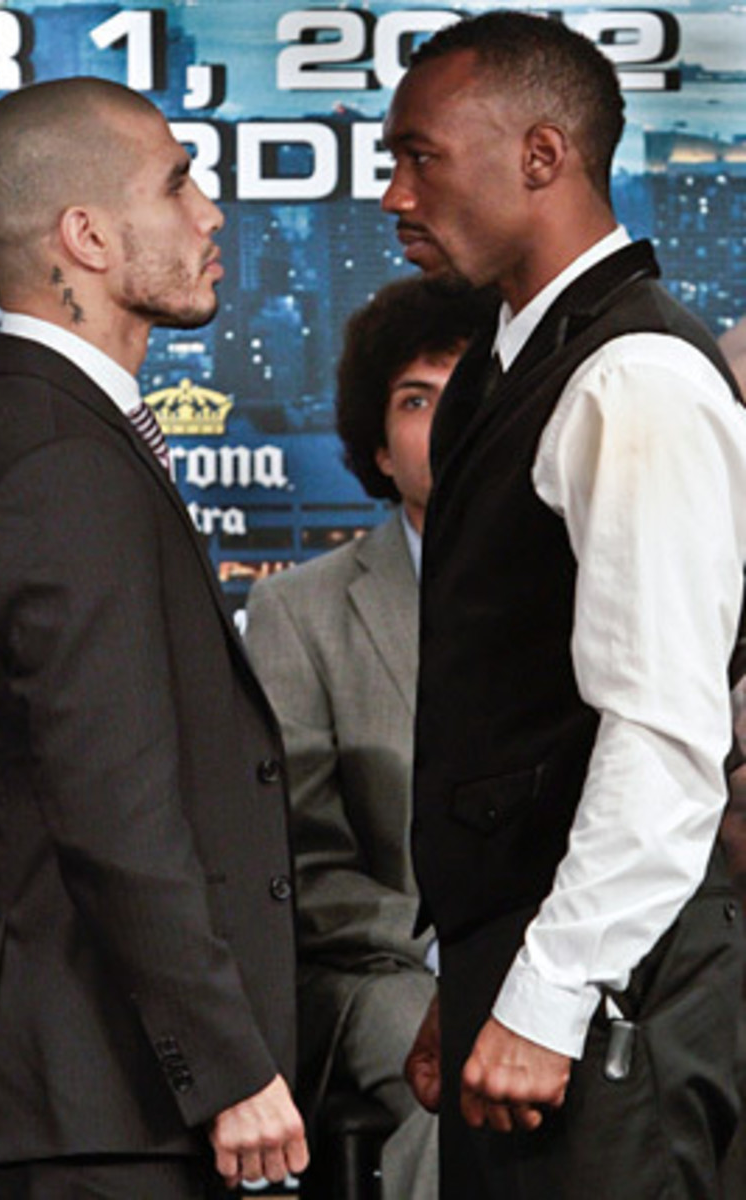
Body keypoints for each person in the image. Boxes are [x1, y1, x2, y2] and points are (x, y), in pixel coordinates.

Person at [0, 78, 308, 1200]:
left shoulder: (33, 437)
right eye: (178, 182)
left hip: (86, 1093)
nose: (210, 212)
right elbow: (111, 804)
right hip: (97, 1101)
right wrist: (226, 1063)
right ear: (83, 236)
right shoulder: (57, 464)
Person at [380, 12, 746, 1198]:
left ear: (541, 156)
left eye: (418, 156)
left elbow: (657, 733)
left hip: (613, 997)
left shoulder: (631, 377)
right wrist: (478, 976)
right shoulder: (517, 360)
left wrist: (544, 994)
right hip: (545, 972)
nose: (392, 195)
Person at [245, 276, 492, 1199]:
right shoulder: (299, 612)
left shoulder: (581, 597)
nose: (445, 421)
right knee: (459, 1070)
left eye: (465, 391)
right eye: (415, 400)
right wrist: (450, 950)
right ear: (378, 448)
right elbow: (297, 866)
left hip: (568, 952)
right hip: (384, 971)